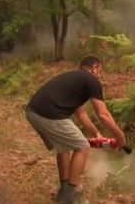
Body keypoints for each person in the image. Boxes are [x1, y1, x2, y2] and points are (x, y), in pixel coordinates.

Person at [25, 55, 126, 204]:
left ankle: (64, 191)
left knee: (64, 147)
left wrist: (96, 134)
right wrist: (120, 136)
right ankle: (68, 197)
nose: (99, 76)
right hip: (48, 113)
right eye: (99, 72)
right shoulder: (91, 80)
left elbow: (81, 113)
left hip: (32, 112)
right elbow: (103, 115)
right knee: (82, 147)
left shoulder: (74, 78)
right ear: (94, 68)